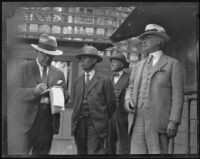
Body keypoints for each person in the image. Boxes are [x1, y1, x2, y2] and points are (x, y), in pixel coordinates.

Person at [125, 24, 184, 154]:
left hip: (158, 122)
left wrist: (174, 121)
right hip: (136, 120)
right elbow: (130, 87)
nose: (143, 41)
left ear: (158, 40)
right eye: (143, 38)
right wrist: (128, 99)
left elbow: (178, 96)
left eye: (148, 37)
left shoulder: (172, 64)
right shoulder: (138, 65)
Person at [7, 34, 70, 155]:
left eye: (51, 56)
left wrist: (61, 93)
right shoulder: (23, 69)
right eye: (45, 54)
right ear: (37, 51)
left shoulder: (59, 74)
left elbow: (67, 97)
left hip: (47, 122)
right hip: (25, 123)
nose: (48, 58)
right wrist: (33, 92)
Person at [71, 45, 116, 154]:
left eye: (85, 59)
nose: (82, 62)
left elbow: (111, 105)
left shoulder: (104, 80)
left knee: (94, 152)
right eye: (81, 59)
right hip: (79, 123)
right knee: (81, 152)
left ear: (94, 60)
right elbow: (75, 102)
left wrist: (100, 116)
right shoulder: (77, 81)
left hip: (96, 124)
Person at [106, 52, 130, 154]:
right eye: (111, 61)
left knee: (123, 143)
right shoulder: (108, 79)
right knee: (109, 141)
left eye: (115, 61)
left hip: (123, 115)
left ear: (122, 64)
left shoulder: (129, 77)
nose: (112, 63)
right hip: (109, 114)